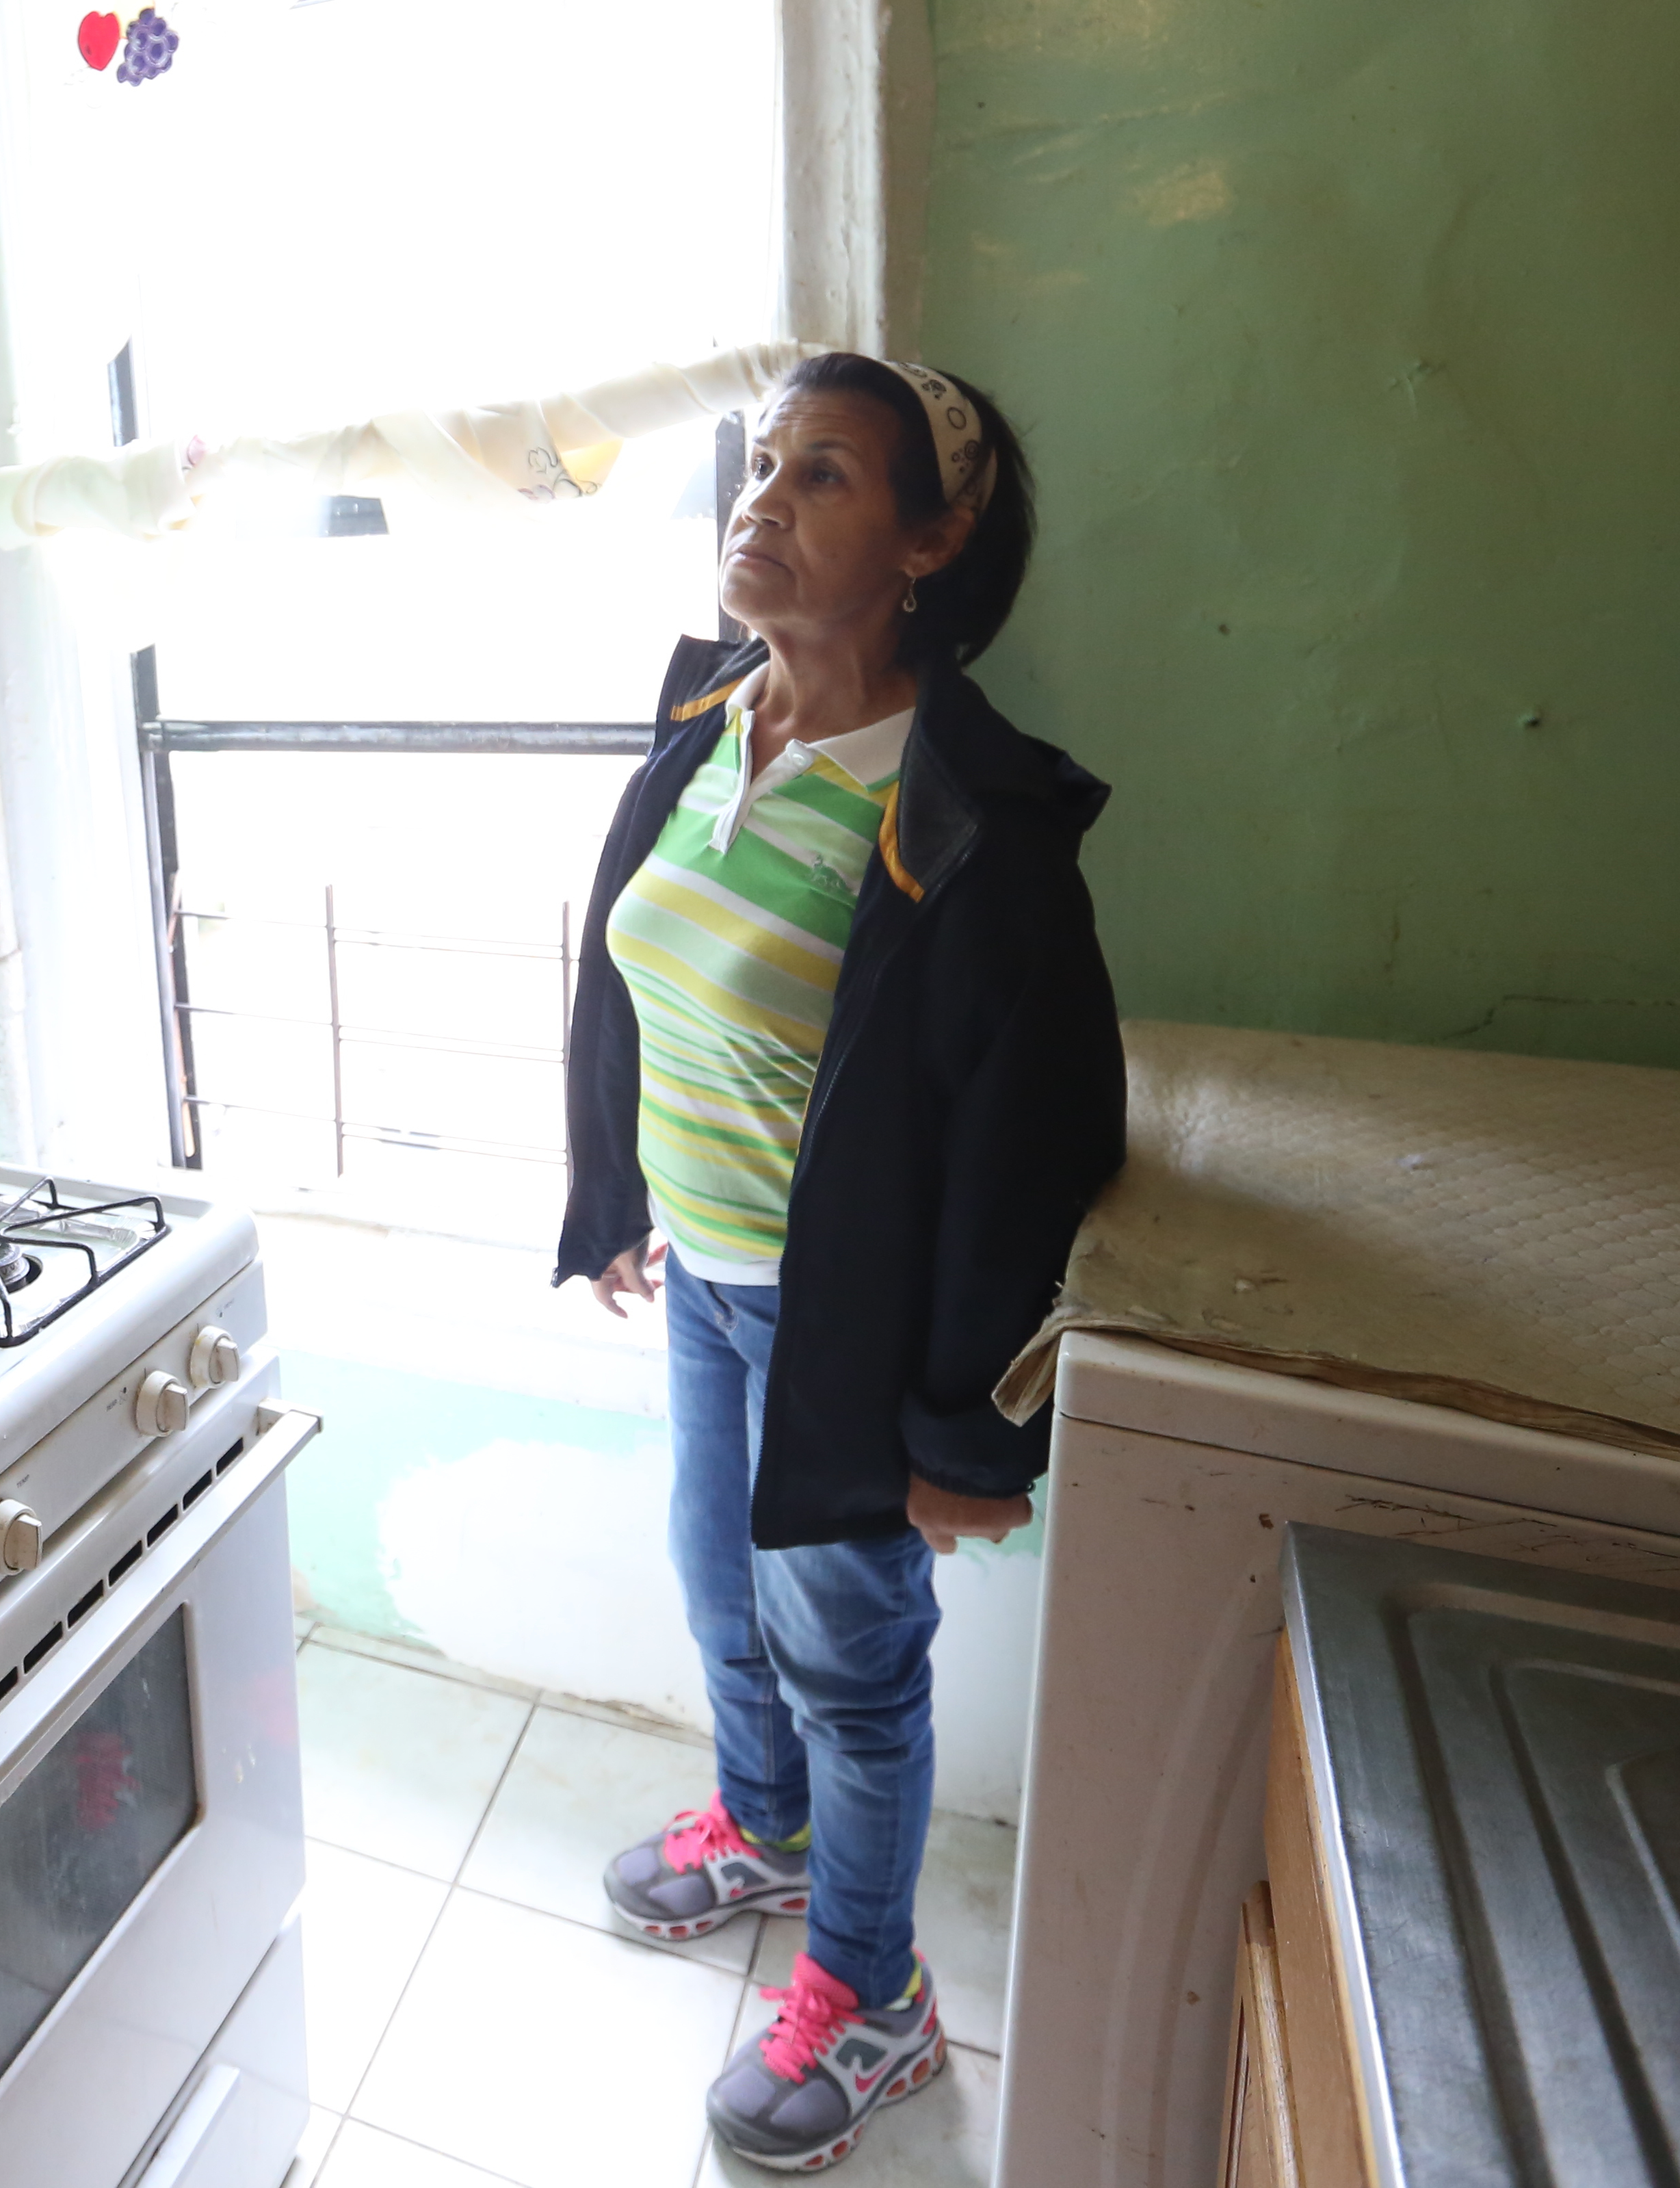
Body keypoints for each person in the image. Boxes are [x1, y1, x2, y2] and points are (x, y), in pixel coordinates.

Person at [556, 352, 1125, 2172]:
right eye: (764, 463)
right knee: (719, 1590)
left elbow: (1035, 1149)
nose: (765, 500)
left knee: (847, 1657)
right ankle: (767, 1832)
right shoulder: (718, 721)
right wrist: (612, 1200)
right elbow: (628, 988)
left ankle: (871, 1994)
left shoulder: (973, 822)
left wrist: (960, 1435)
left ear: (929, 546)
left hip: (844, 1323)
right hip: (710, 1283)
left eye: (826, 479)